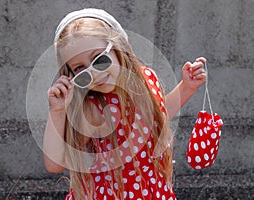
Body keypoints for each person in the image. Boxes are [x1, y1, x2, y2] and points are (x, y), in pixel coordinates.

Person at [43, 8, 208, 200]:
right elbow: (55, 164)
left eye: (99, 59)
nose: (94, 73)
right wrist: (57, 111)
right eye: (80, 68)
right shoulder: (93, 108)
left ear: (117, 47)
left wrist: (186, 87)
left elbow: (156, 117)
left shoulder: (147, 78)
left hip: (154, 191)